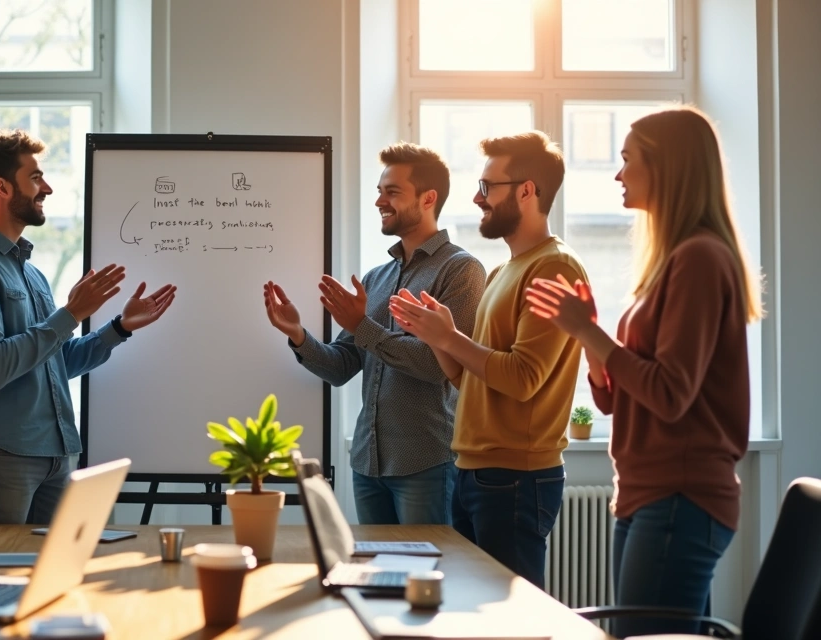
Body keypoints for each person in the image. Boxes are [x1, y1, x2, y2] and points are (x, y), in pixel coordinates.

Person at [525, 106, 762, 636]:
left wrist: (590, 333)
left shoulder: (700, 258)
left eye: (628, 160)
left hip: (680, 496)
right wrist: (588, 339)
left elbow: (671, 393)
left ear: (667, 168)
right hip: (650, 493)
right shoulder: (674, 261)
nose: (617, 174)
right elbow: (618, 399)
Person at [0, 129, 176, 527]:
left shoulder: (32, 274)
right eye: (35, 177)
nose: (46, 187)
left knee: (50, 577)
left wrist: (119, 327)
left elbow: (55, 363)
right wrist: (70, 313)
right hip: (3, 454)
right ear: (2, 187)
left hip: (55, 453)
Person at [389, 131, 588, 589]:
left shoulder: (554, 267)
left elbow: (522, 379)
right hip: (475, 472)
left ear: (526, 190)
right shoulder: (503, 270)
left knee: (512, 620)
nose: (477, 199)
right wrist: (437, 335)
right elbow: (465, 377)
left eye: (487, 187)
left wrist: (451, 336)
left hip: (515, 479)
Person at [263, 143, 485, 524]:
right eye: (379, 191)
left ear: (428, 198)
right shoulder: (376, 278)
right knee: (377, 575)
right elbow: (341, 368)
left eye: (392, 192)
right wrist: (298, 334)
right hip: (368, 465)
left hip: (427, 463)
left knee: (424, 577)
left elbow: (437, 365)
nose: (380, 201)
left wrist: (363, 326)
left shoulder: (462, 271)